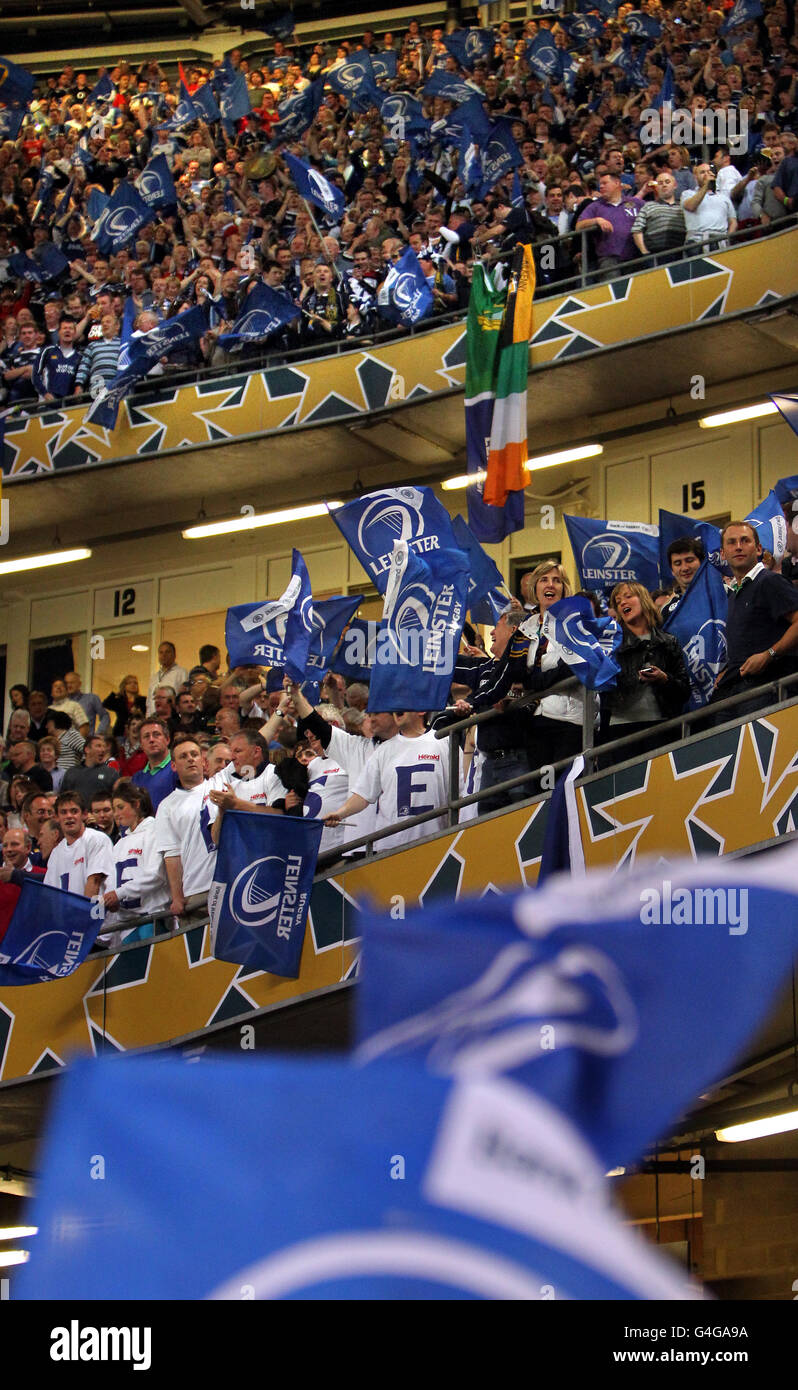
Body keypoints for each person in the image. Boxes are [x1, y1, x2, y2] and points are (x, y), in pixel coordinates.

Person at [323, 710, 452, 853]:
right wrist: (340, 813)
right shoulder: (384, 750)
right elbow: (363, 794)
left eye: (402, 705)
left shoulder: (444, 743)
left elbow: (459, 792)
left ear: (421, 710)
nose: (397, 710)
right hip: (389, 847)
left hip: (435, 842)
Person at [709, 521, 798, 712]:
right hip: (739, 690)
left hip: (768, 690)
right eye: (731, 542)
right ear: (723, 554)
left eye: (745, 541)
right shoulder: (733, 593)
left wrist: (769, 654)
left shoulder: (770, 581)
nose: (738, 547)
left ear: (758, 549)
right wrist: (729, 670)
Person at [599, 582, 690, 753]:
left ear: (644, 600)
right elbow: (606, 692)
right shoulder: (611, 644)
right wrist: (637, 679)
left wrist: (664, 679)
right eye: (618, 602)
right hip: (621, 732)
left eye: (628, 596)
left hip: (662, 726)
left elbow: (684, 691)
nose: (623, 603)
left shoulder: (668, 641)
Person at [154, 736, 219, 915]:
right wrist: (177, 896)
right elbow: (172, 853)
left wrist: (280, 710)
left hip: (230, 879)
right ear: (173, 766)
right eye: (183, 756)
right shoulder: (167, 806)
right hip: (196, 889)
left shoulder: (220, 784)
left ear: (203, 761)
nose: (190, 759)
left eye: (194, 754)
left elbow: (249, 745)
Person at [102, 780, 170, 933]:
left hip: (152, 916)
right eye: (114, 809)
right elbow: (112, 879)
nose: (116, 814)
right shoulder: (119, 844)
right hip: (126, 924)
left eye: (120, 807)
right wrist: (111, 899)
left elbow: (156, 875)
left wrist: (119, 893)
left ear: (136, 804)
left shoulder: (154, 830)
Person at [44, 790, 114, 897]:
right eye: (63, 812)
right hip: (68, 912)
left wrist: (84, 912)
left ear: (84, 814)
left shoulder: (97, 839)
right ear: (56, 818)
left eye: (74, 811)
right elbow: (50, 894)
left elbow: (94, 881)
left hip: (92, 911)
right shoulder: (56, 853)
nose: (69, 816)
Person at [132, 718, 177, 809]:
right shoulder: (136, 779)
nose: (151, 740)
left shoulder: (178, 769)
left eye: (156, 735)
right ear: (141, 744)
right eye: (146, 736)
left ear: (167, 739)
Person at [61, 733, 119, 804]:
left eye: (104, 746)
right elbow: (63, 798)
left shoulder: (111, 773)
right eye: (98, 746)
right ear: (87, 749)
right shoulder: (71, 772)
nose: (103, 749)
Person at [660, 537, 706, 620]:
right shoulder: (666, 611)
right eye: (678, 563)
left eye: (689, 560)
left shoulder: (725, 594)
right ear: (672, 571)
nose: (684, 568)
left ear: (702, 563)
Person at [146, 642, 189, 714]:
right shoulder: (154, 677)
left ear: (174, 655)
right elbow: (149, 702)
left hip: (172, 716)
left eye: (167, 652)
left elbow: (184, 697)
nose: (164, 655)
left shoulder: (181, 672)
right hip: (154, 717)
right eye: (161, 652)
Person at [64, 671, 110, 735]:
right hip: (66, 743)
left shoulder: (91, 698)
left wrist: (98, 734)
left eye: (72, 683)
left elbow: (105, 716)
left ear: (79, 684)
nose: (69, 685)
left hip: (86, 742)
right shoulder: (62, 703)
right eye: (66, 683)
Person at [103, 674, 147, 738]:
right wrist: (114, 693)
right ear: (124, 686)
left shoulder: (143, 700)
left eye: (135, 683)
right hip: (120, 732)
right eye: (129, 683)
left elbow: (147, 715)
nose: (133, 685)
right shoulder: (119, 700)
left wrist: (139, 713)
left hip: (138, 732)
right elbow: (105, 704)